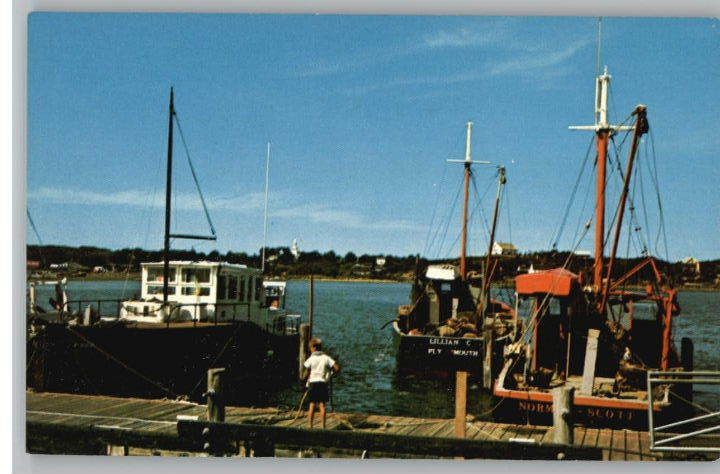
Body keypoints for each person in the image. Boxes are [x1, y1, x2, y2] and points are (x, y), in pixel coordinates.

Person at [303, 338, 340, 429]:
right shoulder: (326, 358)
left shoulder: (311, 359)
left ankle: (310, 426)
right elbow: (337, 368)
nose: (310, 349)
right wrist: (331, 374)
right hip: (322, 383)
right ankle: (323, 426)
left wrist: (303, 378)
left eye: (310, 348)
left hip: (313, 383)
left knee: (312, 405)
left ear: (314, 348)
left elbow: (306, 372)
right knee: (322, 405)